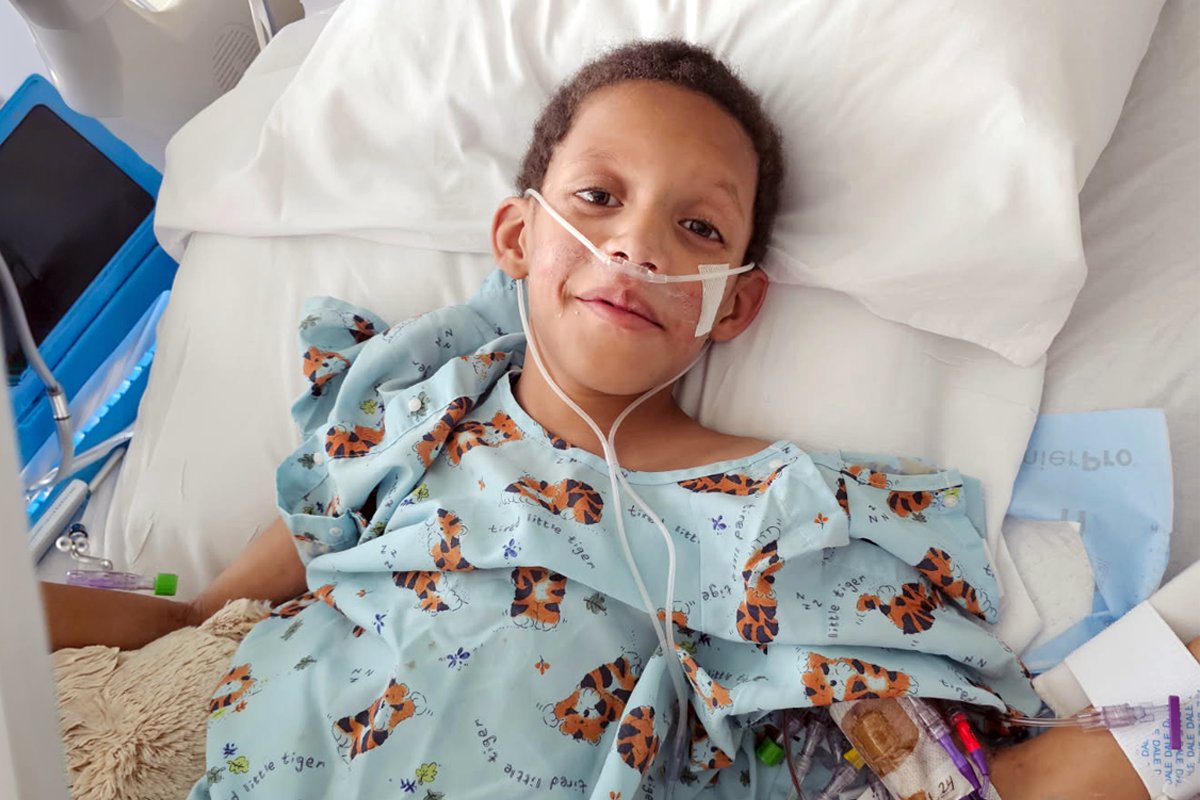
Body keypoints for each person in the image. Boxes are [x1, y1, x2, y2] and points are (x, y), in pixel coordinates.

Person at [39, 40, 1195, 800]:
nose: (637, 244)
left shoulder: (789, 520)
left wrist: (1168, 692)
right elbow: (197, 617)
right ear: (516, 238)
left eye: (699, 229)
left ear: (733, 304)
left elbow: (959, 777)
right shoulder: (412, 424)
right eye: (598, 198)